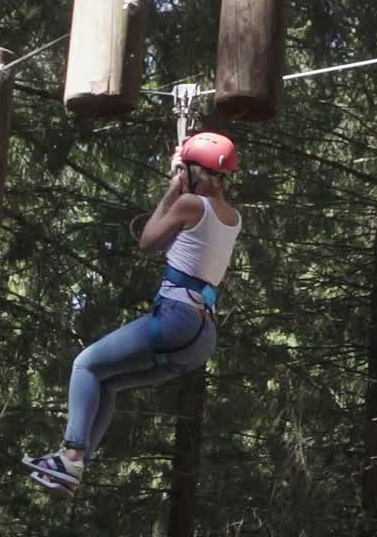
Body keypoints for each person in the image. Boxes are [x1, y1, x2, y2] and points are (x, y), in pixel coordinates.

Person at [22, 132, 242, 495]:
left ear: (197, 174)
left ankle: (72, 451)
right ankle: (72, 464)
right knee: (106, 381)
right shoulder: (233, 217)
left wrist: (173, 188)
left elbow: (148, 242)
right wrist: (185, 177)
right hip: (202, 335)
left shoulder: (189, 204)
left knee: (86, 365)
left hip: (176, 318)